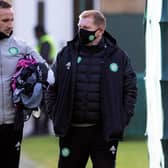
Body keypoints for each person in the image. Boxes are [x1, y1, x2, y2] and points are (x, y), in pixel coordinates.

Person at [46, 10, 137, 168]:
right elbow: (51, 86)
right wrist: (56, 114)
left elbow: (130, 90)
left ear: (100, 31)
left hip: (104, 135)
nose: (81, 31)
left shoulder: (118, 56)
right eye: (79, 26)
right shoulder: (65, 54)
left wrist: (121, 119)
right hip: (71, 134)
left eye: (86, 27)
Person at [0, 1, 54, 168]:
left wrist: (33, 82)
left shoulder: (22, 46)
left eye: (12, 19)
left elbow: (50, 76)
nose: (10, 25)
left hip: (12, 123)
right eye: (4, 20)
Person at [32, 25, 56, 135]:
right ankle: (41, 129)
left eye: (35, 33)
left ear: (39, 32)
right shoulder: (46, 41)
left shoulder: (45, 42)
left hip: (43, 77)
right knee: (42, 104)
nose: (35, 35)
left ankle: (40, 130)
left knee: (39, 103)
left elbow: (43, 59)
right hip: (44, 76)